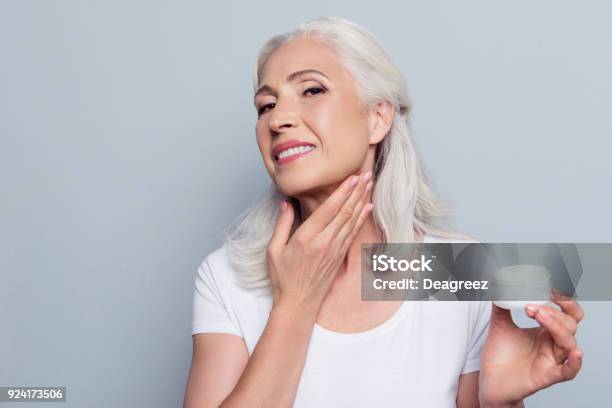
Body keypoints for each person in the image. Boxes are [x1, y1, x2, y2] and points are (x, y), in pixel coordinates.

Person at [184, 16, 584, 408]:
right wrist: (296, 302)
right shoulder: (227, 278)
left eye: (311, 90)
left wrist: (499, 402)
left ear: (377, 118)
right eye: (265, 105)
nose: (278, 119)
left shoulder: (461, 271)